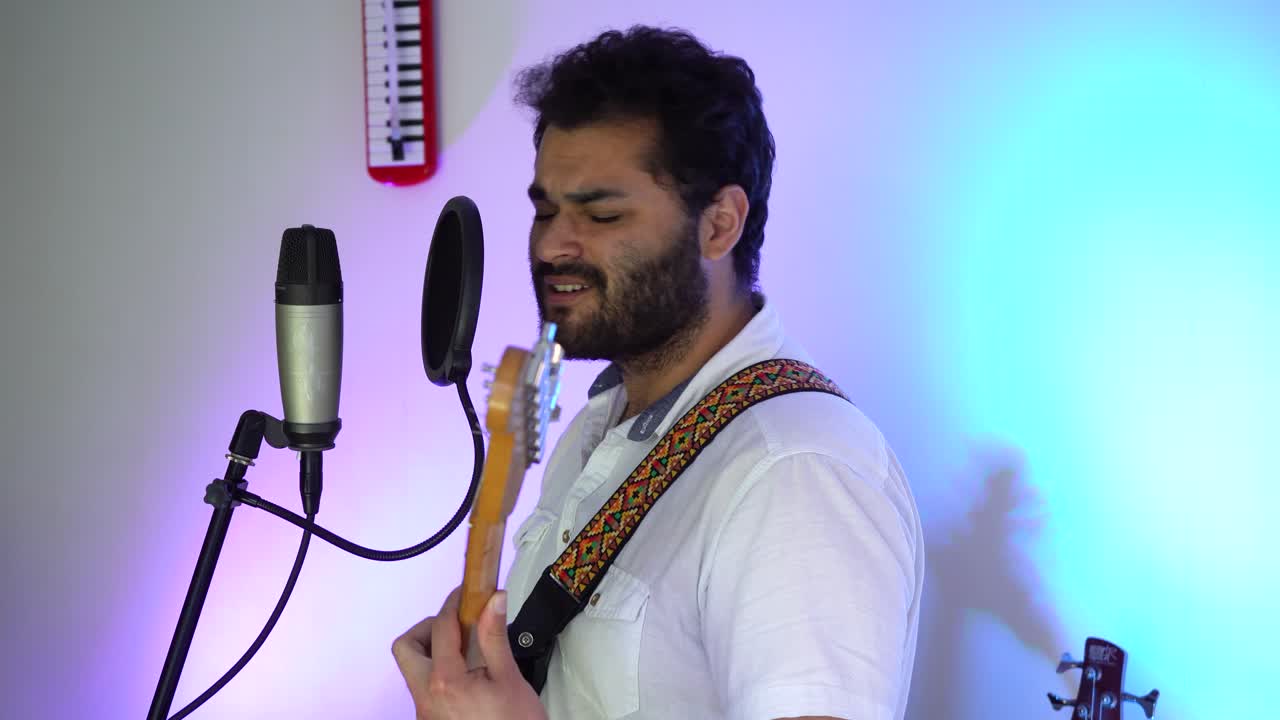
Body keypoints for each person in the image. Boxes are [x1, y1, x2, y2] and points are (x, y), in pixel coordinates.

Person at [392, 25, 924, 720]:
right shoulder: (597, 426)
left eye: (601, 213)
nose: (553, 244)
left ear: (719, 225)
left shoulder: (795, 469)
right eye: (546, 209)